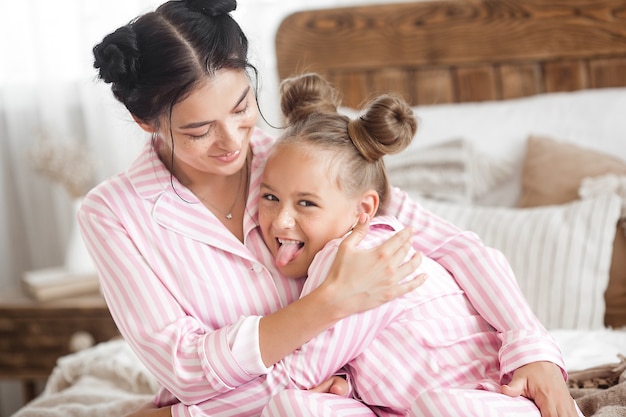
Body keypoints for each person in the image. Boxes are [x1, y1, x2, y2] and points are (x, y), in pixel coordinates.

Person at [81, 0, 577, 416]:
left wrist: (533, 351)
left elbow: (451, 243)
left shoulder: (297, 158)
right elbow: (188, 368)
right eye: (198, 130)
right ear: (144, 121)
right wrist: (330, 303)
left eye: (241, 109)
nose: (233, 142)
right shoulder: (114, 214)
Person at [253, 72, 585, 416]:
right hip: (404, 407)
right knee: (293, 407)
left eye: (306, 203)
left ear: (363, 209)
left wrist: (532, 349)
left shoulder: (361, 254)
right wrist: (344, 382)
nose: (280, 221)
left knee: (437, 406)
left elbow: (300, 372)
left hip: (493, 397)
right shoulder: (334, 254)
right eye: (270, 197)